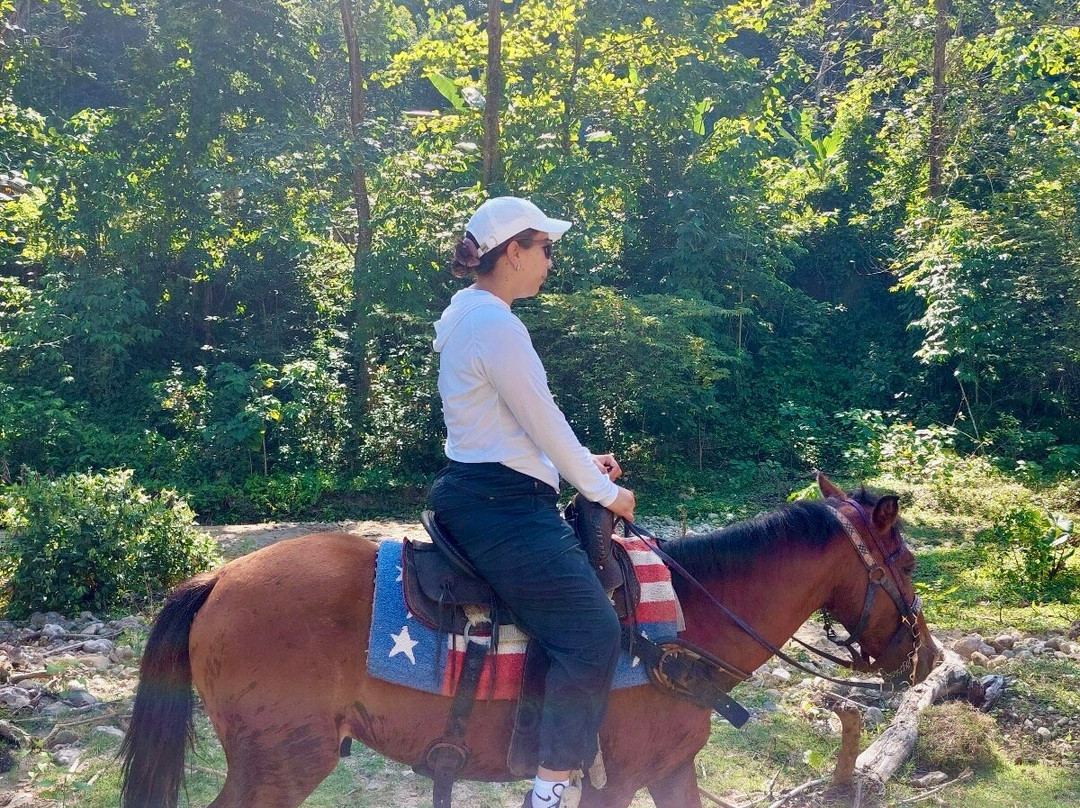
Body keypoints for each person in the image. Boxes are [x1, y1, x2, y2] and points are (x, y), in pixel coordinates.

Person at [428, 196, 636, 808]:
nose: (551, 260)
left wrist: (568, 465)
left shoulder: (468, 312)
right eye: (545, 247)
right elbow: (543, 421)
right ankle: (548, 792)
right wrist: (606, 492)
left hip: (487, 489)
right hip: (503, 507)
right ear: (514, 250)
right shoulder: (496, 325)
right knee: (594, 634)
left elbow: (509, 432)